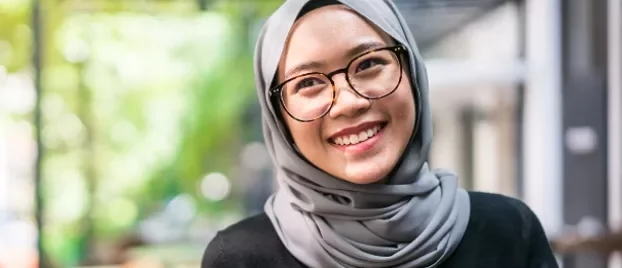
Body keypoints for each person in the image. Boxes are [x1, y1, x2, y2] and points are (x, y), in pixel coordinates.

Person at [201, 0, 560, 267]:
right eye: (308, 83)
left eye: (370, 63)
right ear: (279, 118)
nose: (348, 102)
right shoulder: (239, 258)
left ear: (412, 73)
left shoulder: (510, 233)